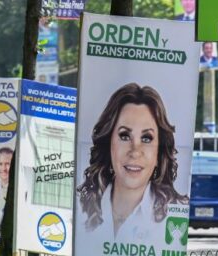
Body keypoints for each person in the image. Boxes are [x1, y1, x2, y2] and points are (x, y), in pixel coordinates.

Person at [77, 83, 188, 244]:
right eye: (124, 136)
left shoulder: (175, 214)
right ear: (109, 144)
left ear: (159, 152)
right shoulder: (81, 206)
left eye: (146, 138)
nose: (135, 151)